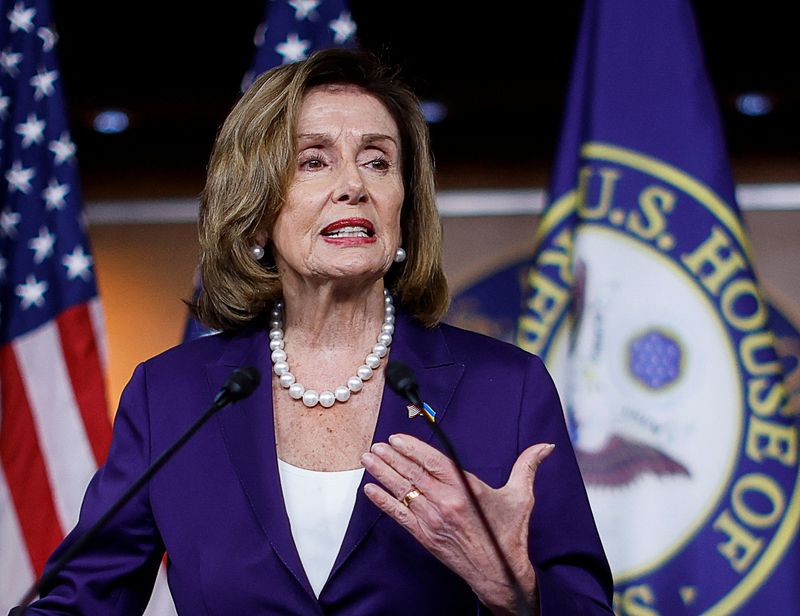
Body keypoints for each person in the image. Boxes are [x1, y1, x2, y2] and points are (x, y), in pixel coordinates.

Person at [24, 49, 613, 614]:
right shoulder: (170, 397)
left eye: (378, 161)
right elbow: (83, 602)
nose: (354, 184)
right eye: (314, 160)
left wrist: (518, 590)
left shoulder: (506, 390)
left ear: (403, 209)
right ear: (256, 211)